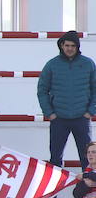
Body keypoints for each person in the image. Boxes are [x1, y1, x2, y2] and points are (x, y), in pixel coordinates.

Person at [37, 30, 96, 166]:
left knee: (87, 158)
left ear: (77, 47)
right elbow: (42, 90)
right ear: (62, 46)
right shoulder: (51, 65)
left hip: (82, 118)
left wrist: (90, 111)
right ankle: (55, 187)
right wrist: (50, 114)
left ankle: (89, 186)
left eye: (73, 46)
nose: (70, 48)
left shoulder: (88, 64)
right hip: (59, 119)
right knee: (55, 158)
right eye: (67, 45)